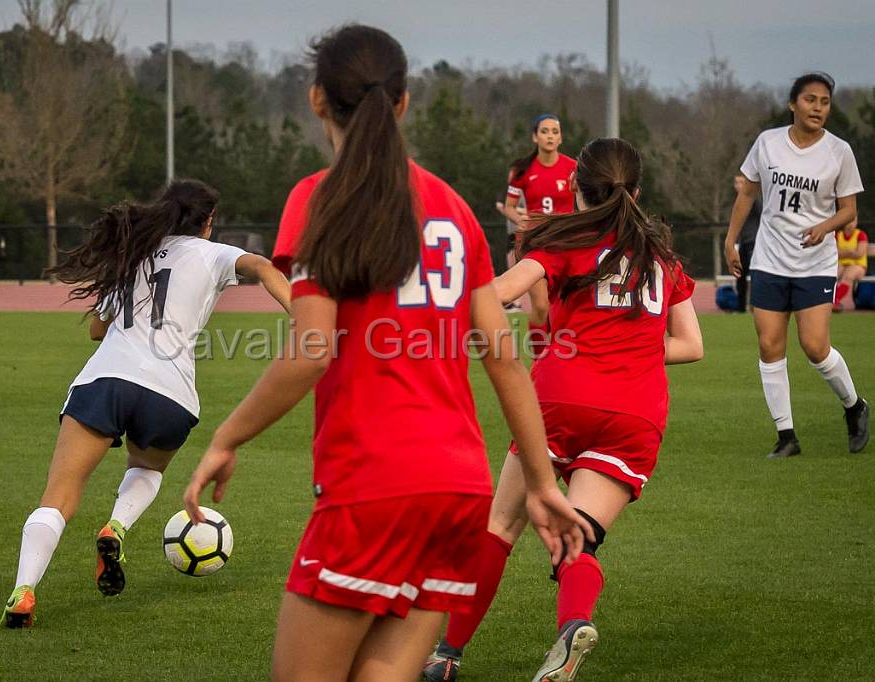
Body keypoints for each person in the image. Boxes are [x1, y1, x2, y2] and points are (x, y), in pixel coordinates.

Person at [183, 25, 592, 682]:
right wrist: (542, 483)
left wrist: (225, 438)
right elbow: (506, 359)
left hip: (372, 487)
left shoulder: (320, 196)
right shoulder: (456, 210)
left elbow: (312, 349)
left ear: (318, 100)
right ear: (403, 104)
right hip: (460, 491)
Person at [424, 138, 704, 682]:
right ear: (637, 191)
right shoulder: (662, 255)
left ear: (575, 189)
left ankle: (446, 657)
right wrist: (632, 351)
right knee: (579, 535)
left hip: (559, 398)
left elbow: (504, 289)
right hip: (635, 412)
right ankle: (573, 624)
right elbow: (691, 344)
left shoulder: (562, 238)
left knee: (499, 528)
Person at [0, 180, 292, 628]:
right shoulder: (213, 254)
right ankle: (116, 527)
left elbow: (97, 330)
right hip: (169, 393)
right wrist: (304, 316)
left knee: (58, 496)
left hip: (106, 380)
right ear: (208, 221)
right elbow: (265, 268)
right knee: (148, 468)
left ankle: (23, 591)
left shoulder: (133, 252)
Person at [725, 72, 869, 458]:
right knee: (770, 345)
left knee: (814, 345)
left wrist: (824, 227)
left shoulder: (839, 151)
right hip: (770, 259)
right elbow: (748, 193)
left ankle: (854, 406)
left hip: (815, 262)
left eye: (824, 102)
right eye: (810, 100)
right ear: (793, 104)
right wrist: (731, 240)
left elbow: (849, 211)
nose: (817, 108)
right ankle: (786, 437)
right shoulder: (767, 143)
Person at [496, 115, 577, 345]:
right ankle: (539, 364)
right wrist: (519, 221)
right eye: (544, 131)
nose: (550, 136)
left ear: (560, 138)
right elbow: (511, 207)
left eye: (554, 131)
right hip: (535, 242)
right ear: (535, 136)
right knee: (541, 306)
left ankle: (559, 359)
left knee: (563, 306)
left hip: (566, 243)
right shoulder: (523, 170)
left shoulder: (573, 168)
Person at [733, 174, 761, 312]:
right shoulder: (737, 203)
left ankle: (755, 305)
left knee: (755, 275)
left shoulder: (754, 201)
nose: (738, 185)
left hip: (753, 243)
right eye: (736, 182)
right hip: (743, 243)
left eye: (741, 182)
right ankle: (740, 307)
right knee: (740, 275)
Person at [835, 217, 868, 310]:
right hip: (842, 265)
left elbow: (859, 254)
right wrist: (850, 252)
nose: (852, 223)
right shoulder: (839, 235)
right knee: (832, 275)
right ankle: (828, 300)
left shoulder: (861, 234)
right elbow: (835, 253)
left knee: (848, 275)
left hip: (859, 266)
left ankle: (836, 301)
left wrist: (843, 253)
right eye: (850, 220)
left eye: (854, 220)